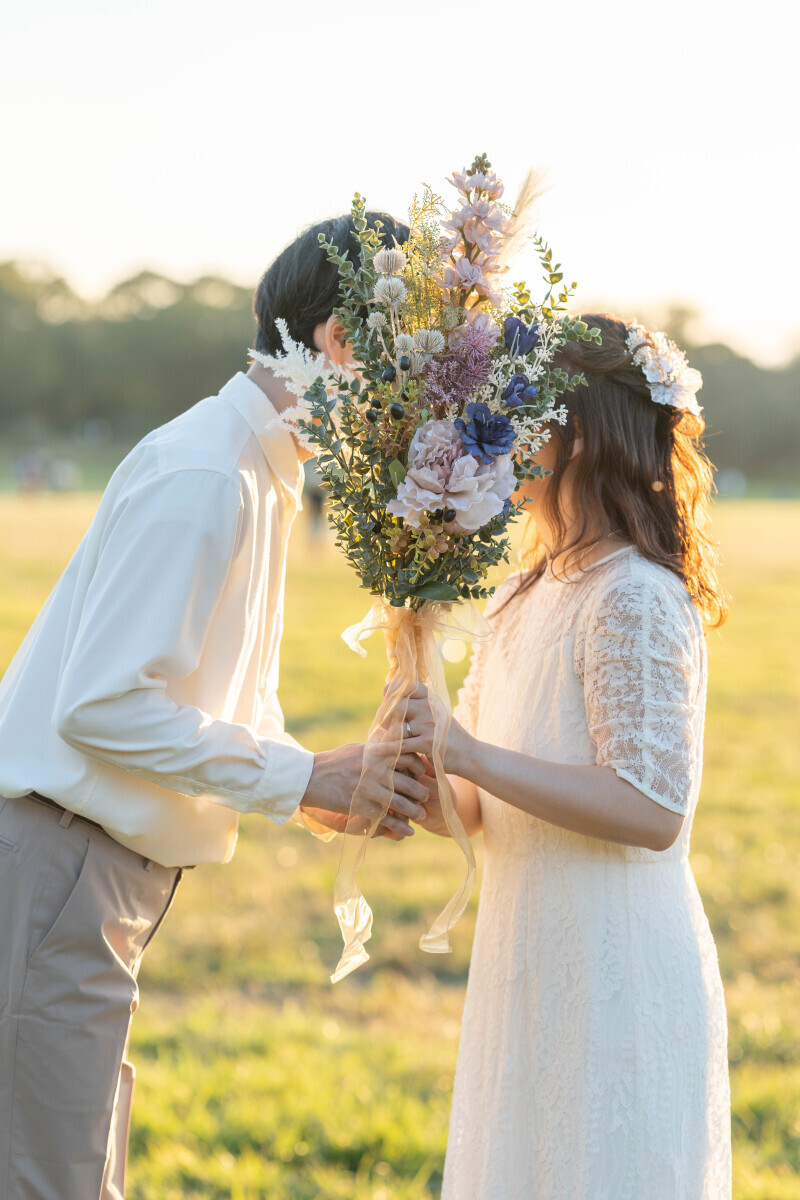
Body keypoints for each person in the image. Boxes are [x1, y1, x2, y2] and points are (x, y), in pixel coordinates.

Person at [0, 212, 430, 1200]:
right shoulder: (208, 475)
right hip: (60, 867)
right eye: (406, 363)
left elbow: (201, 693)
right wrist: (298, 777)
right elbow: (102, 705)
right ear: (336, 342)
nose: (417, 403)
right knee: (48, 1181)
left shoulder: (259, 475)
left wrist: (317, 788)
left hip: (87, 876)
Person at [404, 315, 731, 1198]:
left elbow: (651, 810)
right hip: (526, 959)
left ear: (577, 436)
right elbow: (469, 804)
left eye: (519, 418)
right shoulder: (517, 594)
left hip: (613, 968)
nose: (496, 442)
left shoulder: (635, 595)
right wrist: (414, 765)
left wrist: (464, 751)